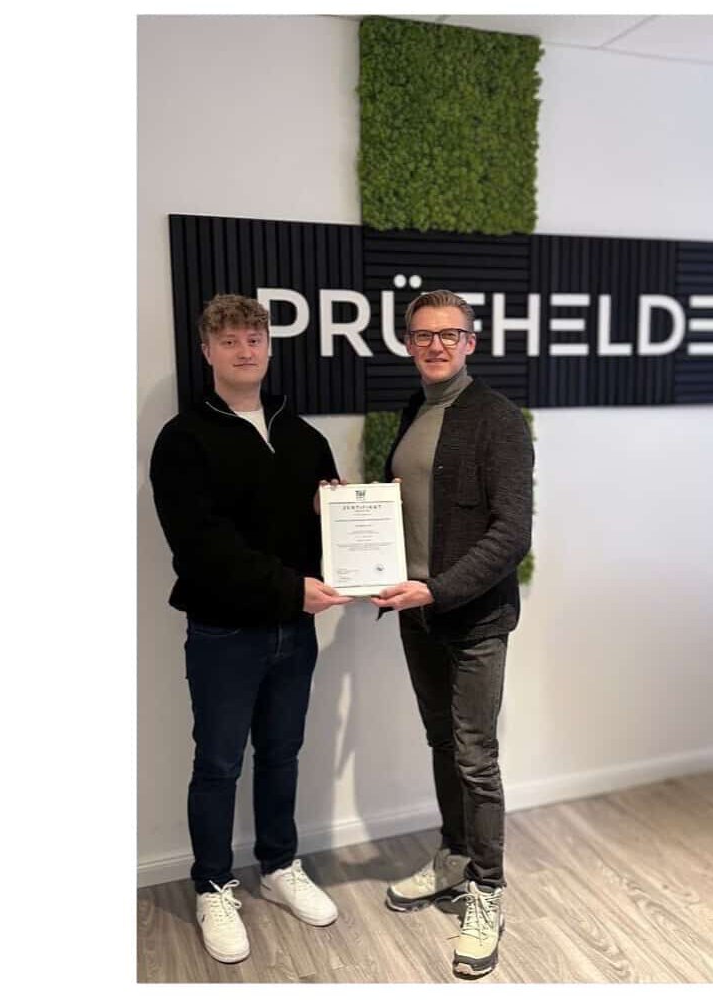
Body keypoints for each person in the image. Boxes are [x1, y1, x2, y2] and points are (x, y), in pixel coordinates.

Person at [149, 293, 351, 964]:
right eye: (230, 340)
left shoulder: (305, 436)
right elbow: (200, 547)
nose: (244, 350)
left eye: (254, 339)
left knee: (282, 754)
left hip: (295, 632)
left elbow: (330, 529)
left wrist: (341, 526)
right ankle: (212, 885)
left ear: (269, 347)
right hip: (224, 635)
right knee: (218, 763)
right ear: (207, 350)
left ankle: (279, 865)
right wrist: (292, 587)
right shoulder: (183, 440)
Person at [371, 289, 534, 979]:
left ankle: (486, 891)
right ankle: (454, 855)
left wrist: (438, 588)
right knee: (443, 742)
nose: (435, 345)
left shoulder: (498, 419)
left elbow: (512, 533)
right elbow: (406, 506)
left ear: (471, 341)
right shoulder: (414, 409)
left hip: (472, 619)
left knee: (475, 756)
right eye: (422, 335)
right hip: (417, 615)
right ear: (408, 343)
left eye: (449, 334)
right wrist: (350, 506)